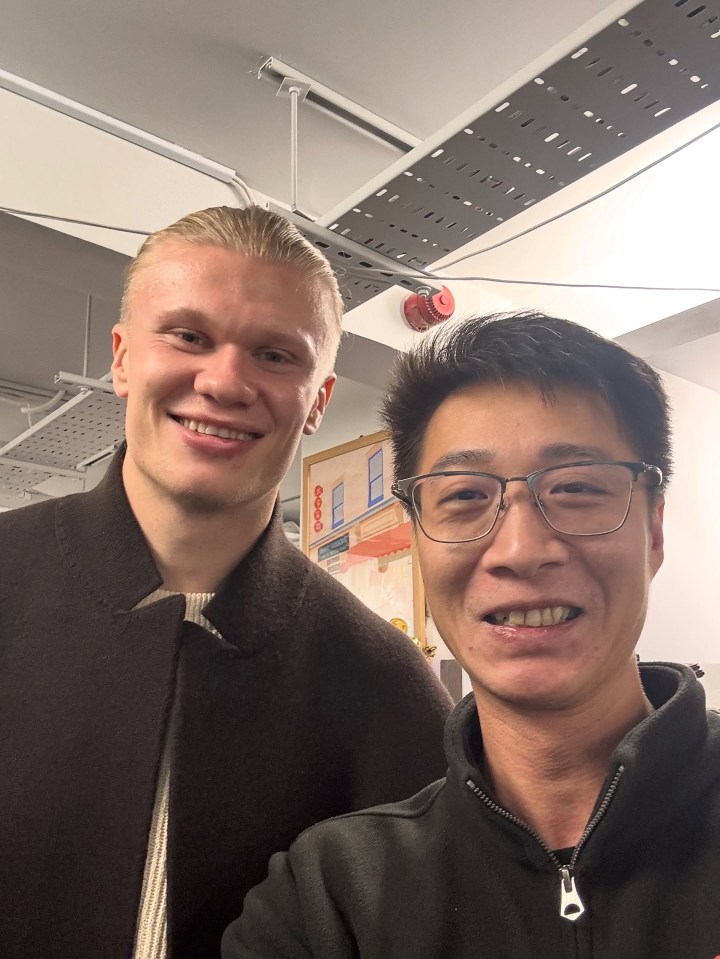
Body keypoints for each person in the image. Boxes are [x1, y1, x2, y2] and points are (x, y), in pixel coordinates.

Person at [0, 206, 452, 959]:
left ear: (318, 402)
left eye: (276, 355)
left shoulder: (387, 688)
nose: (225, 380)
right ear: (121, 358)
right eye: (188, 335)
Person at [224, 311, 720, 959]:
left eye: (574, 487)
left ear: (653, 529)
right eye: (463, 496)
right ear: (418, 537)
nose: (520, 548)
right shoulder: (329, 899)